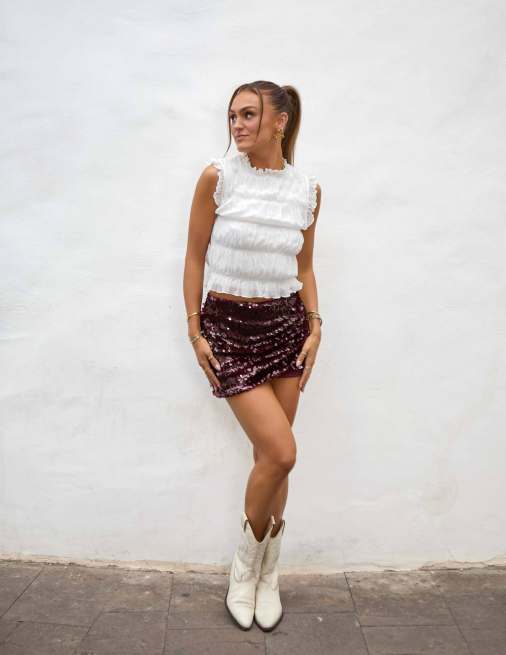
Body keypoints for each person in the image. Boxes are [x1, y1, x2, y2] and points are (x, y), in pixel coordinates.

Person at [182, 80, 322, 632]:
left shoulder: (307, 190)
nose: (236, 125)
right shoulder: (217, 178)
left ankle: (268, 574)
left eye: (248, 115)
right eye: (232, 116)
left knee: (272, 458)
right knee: (282, 453)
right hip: (229, 330)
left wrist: (315, 325)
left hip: (287, 329)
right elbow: (194, 257)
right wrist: (195, 332)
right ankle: (244, 570)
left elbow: (305, 266)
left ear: (279, 121)